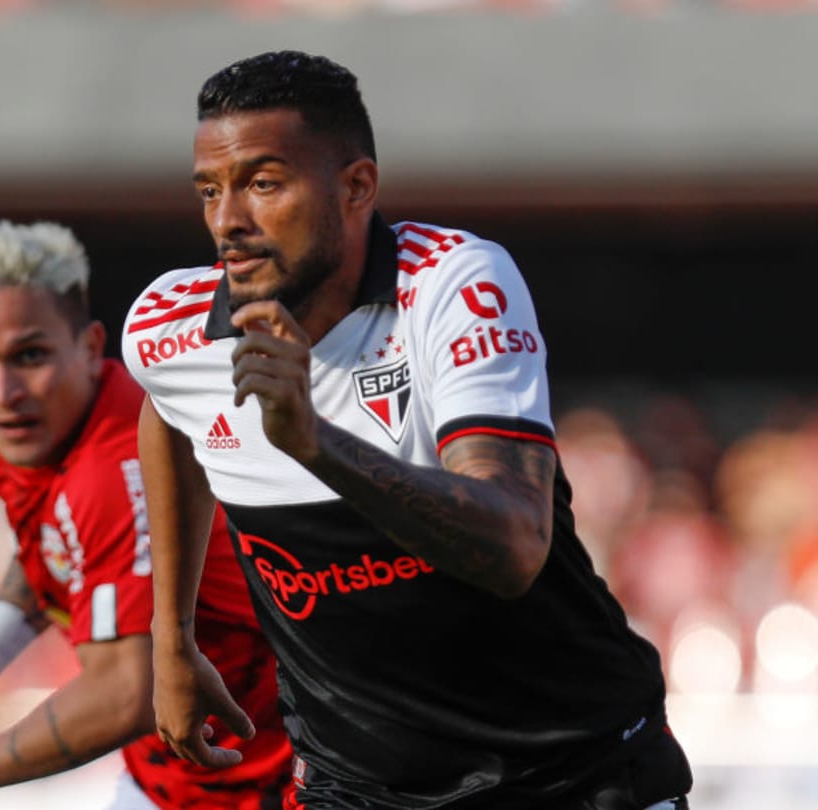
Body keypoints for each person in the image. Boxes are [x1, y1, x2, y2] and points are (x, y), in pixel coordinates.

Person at [120, 51, 693, 810]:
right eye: (209, 190)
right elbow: (166, 410)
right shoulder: (168, 323)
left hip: (571, 777)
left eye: (262, 183)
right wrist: (173, 642)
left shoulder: (455, 283)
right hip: (355, 791)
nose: (228, 220)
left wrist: (315, 442)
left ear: (356, 187)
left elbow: (516, 545)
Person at [0, 220, 292, 810]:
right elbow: (53, 544)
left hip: (267, 788)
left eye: (29, 355)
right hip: (169, 783)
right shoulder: (33, 430)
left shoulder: (111, 469)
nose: (3, 392)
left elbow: (125, 693)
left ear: (91, 348)